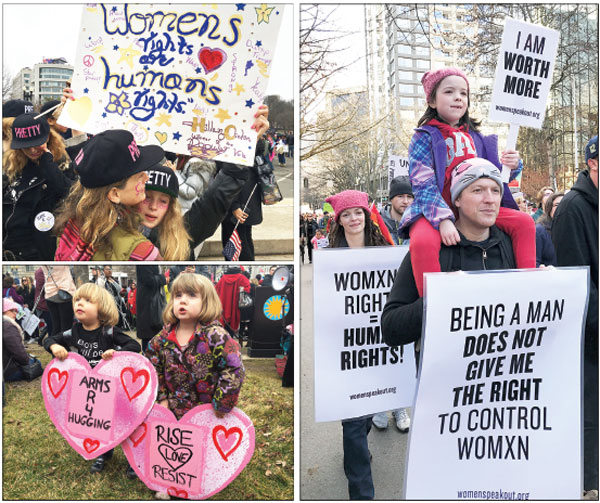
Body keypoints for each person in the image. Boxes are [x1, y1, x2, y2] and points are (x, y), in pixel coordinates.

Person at [399, 67, 535, 297]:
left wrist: (513, 166)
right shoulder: (423, 137)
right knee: (422, 241)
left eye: (463, 93)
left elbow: (496, 178)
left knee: (524, 222)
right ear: (432, 100)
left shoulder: (477, 137)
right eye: (449, 92)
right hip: (433, 210)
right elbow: (422, 183)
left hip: (473, 207)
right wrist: (442, 220)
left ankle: (529, 288)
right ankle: (432, 302)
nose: (458, 98)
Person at [145, 273, 245, 499]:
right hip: (174, 407)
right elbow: (152, 364)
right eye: (178, 295)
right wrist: (161, 397)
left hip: (206, 408)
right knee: (173, 446)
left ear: (206, 301)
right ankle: (170, 481)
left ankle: (200, 479)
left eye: (191, 295)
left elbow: (234, 368)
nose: (182, 300)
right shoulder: (163, 337)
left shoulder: (215, 336)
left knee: (202, 448)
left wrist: (222, 403)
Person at [324, 189, 390, 500]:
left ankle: (356, 450)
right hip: (344, 349)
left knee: (365, 417)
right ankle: (362, 492)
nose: (353, 219)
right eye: (347, 215)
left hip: (377, 349)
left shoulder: (383, 250)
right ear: (339, 220)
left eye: (358, 213)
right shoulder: (329, 256)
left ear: (366, 216)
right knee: (352, 422)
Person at [43, 282, 141, 473]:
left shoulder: (109, 331)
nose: (80, 303)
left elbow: (134, 346)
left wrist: (116, 351)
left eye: (87, 301)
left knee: (122, 420)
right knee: (98, 422)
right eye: (77, 299)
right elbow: (48, 339)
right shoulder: (74, 332)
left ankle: (131, 457)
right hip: (90, 391)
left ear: (101, 308)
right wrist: (54, 347)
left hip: (113, 388)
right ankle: (103, 452)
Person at [551, 135, 598, 500]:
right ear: (593, 164)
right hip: (589, 344)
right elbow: (576, 286)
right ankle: (588, 487)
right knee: (591, 424)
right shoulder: (572, 209)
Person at [53, 129, 164, 261]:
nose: (146, 178)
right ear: (115, 194)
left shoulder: (69, 227)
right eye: (139, 176)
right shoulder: (141, 251)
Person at [3, 113, 74, 260]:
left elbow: (70, 193)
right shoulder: (11, 164)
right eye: (26, 146)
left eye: (36, 144)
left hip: (39, 246)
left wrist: (48, 164)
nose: (32, 150)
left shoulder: (62, 163)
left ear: (47, 137)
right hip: (10, 244)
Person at [136, 266, 169, 353]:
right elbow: (149, 280)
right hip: (149, 307)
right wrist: (163, 278)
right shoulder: (145, 264)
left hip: (152, 306)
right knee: (149, 341)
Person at [3, 298, 34, 382]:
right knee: (36, 362)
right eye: (13, 311)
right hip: (8, 371)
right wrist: (27, 359)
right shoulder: (7, 326)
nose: (15, 314)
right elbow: (18, 352)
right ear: (5, 310)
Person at [215, 266, 251, 336]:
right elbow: (248, 289)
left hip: (224, 307)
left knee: (224, 328)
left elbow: (215, 290)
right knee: (232, 327)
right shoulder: (242, 278)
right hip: (236, 307)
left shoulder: (223, 279)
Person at [43, 265, 76, 338]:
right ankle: (64, 347)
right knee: (66, 327)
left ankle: (54, 345)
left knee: (56, 325)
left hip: (49, 293)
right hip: (64, 291)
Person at [381, 176, 414, 245]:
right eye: (400, 196)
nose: (405, 201)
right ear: (391, 198)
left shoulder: (419, 224)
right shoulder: (378, 224)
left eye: (409, 197)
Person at [535, 192, 563, 267]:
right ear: (549, 208)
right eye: (557, 205)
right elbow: (535, 262)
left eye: (564, 204)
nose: (561, 208)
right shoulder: (539, 231)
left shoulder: (574, 229)